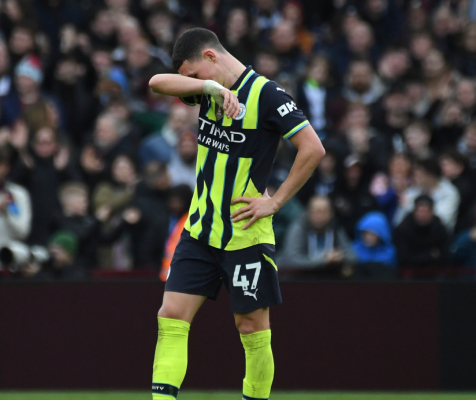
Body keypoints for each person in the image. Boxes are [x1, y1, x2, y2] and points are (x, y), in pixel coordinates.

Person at [147, 28, 325, 400]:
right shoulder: (206, 89)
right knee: (171, 316)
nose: (190, 83)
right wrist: (208, 89)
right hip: (199, 230)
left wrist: (274, 202)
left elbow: (313, 149)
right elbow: (156, 82)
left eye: (194, 75)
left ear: (211, 56)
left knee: (251, 327)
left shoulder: (268, 94)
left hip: (245, 234)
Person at [279, 195, 356, 271]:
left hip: (327, 278)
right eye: (315, 211)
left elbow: (352, 257)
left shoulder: (335, 227)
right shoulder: (299, 227)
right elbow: (292, 261)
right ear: (308, 212)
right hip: (299, 278)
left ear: (332, 214)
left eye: (323, 211)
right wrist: (323, 260)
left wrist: (340, 256)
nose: (319, 215)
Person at [393, 158, 460, 232]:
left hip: (438, 236)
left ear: (430, 176)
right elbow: (397, 221)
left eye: (419, 176)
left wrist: (410, 207)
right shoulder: (414, 191)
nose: (415, 179)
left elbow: (442, 220)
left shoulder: (449, 193)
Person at [394, 195, 450, 272]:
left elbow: (444, 255)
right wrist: (430, 255)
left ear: (432, 212)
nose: (422, 215)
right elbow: (404, 257)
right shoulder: (403, 229)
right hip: (410, 272)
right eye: (420, 211)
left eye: (426, 212)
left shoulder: (439, 228)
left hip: (434, 272)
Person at [351, 211, 397, 279]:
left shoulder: (389, 252)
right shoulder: (353, 249)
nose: (368, 237)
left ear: (381, 235)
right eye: (365, 233)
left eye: (372, 234)